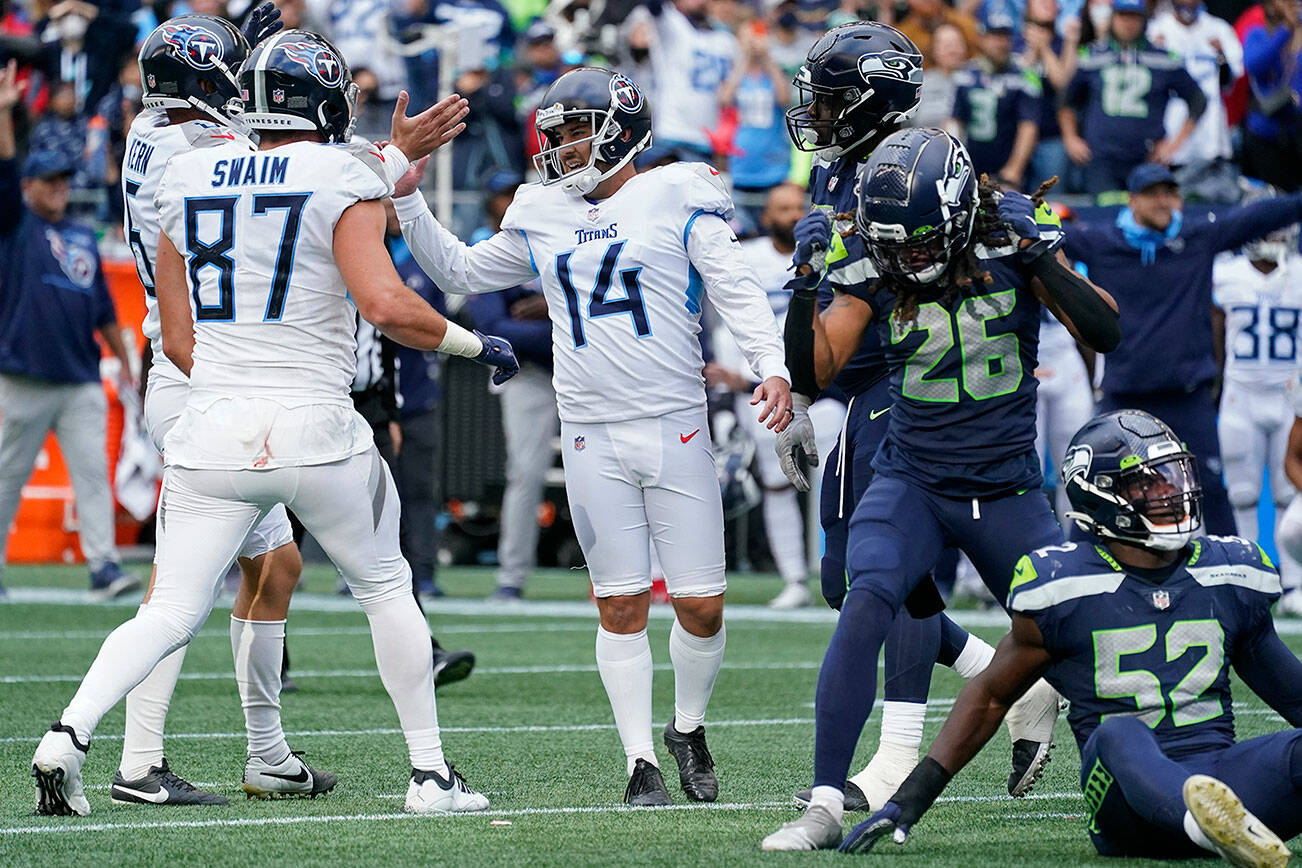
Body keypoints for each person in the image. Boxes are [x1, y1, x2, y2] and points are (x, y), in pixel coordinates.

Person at [30, 29, 516, 817]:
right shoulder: (341, 170)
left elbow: (177, 338)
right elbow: (387, 305)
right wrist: (475, 343)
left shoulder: (181, 171)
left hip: (209, 423)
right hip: (317, 428)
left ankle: (67, 736)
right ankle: (430, 775)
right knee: (388, 587)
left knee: (168, 609)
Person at [394, 66, 793, 806]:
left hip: (674, 420)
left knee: (703, 604)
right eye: (558, 134)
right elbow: (459, 269)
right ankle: (639, 762)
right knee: (620, 602)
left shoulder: (677, 192)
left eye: (576, 131)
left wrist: (772, 366)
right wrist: (409, 194)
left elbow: (737, 288)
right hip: (590, 431)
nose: (564, 147)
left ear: (620, 127)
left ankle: (688, 727)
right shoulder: (541, 209)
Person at [762, 127, 1122, 850]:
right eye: (900, 244)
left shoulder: (1007, 234)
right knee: (864, 598)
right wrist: (804, 291)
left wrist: (1042, 254)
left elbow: (1106, 328)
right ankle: (825, 804)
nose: (912, 257)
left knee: (1080, 643)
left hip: (1009, 489)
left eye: (926, 240)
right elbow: (818, 370)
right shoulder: (874, 247)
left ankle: (1138, 788)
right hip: (914, 479)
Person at [777, 23, 1058, 821]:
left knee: (893, 582)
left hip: (918, 390)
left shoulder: (921, 169)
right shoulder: (845, 172)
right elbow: (832, 305)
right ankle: (1008, 682)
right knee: (848, 581)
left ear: (875, 100)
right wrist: (795, 386)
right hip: (859, 384)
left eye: (831, 100)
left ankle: (898, 753)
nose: (817, 113)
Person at [841, 410, 1301, 868]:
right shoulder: (1065, 585)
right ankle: (1205, 826)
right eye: (1149, 483)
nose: (1172, 493)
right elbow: (989, 698)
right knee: (1118, 733)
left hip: (1220, 775)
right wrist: (910, 800)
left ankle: (1221, 825)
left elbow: (1291, 692)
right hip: (1125, 810)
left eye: (1174, 477)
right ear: (1101, 496)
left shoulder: (1227, 574)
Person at [113, 9, 332, 806]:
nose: (243, 96)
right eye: (230, 81)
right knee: (180, 585)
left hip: (194, 367)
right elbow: (296, 166)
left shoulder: (149, 130)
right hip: (200, 369)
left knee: (275, 568)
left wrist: (226, 45)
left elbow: (204, 106)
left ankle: (267, 755)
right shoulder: (200, 151)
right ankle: (137, 761)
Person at [1062, 163, 1302, 537]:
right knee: (1098, 489)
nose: (1163, 202)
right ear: (1132, 199)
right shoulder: (1102, 241)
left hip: (1187, 397)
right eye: (1152, 194)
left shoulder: (1196, 236)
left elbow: (1258, 217)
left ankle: (1233, 578)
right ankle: (1077, 578)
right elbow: (1046, 235)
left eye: (1169, 193)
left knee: (1215, 493)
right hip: (1124, 396)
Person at [0, 60, 139, 604]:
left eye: (64, 179)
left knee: (93, 477)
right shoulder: (14, 224)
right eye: (50, 180)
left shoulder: (79, 235)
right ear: (30, 184)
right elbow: (5, 172)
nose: (60, 187)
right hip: (24, 374)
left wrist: (127, 366)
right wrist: (7, 114)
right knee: (7, 480)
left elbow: (104, 311)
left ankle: (104, 567)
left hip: (80, 375)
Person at [704, 182, 845, 609]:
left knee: (835, 483)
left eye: (799, 206)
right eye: (783, 208)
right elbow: (729, 321)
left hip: (825, 391)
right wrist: (744, 379)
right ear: (766, 216)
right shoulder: (747, 257)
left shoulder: (831, 255)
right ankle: (794, 579)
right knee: (777, 482)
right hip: (764, 387)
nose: (792, 214)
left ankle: (833, 571)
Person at [462, 171, 558, 603]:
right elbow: (494, 329)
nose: (508, 201)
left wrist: (550, 310)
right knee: (525, 473)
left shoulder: (557, 231)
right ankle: (511, 576)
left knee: (613, 469)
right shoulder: (486, 244)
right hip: (529, 373)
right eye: (501, 195)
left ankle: (620, 578)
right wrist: (561, 323)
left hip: (589, 367)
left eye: (513, 193)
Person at [1214, 196, 1302, 615]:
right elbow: (1215, 333)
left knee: (1290, 493)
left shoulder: (1299, 274)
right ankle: (1252, 579)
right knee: (1243, 494)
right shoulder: (1226, 274)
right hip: (1240, 392)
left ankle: (1295, 582)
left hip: (1289, 396)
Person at [1059, 0, 1206, 196]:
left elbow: (1198, 99)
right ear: (1113, 18)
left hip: (1147, 157)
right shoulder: (1091, 56)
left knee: (1146, 218)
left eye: (1134, 17)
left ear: (1144, 20)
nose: (1128, 23)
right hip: (1102, 158)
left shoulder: (1164, 58)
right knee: (1105, 215)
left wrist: (1174, 144)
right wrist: (1070, 138)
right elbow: (1065, 100)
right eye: (1123, 16)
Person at [1148, 0, 1243, 202]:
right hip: (1169, 138)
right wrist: (1154, 51)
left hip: (1211, 139)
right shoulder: (1157, 29)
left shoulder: (1218, 29)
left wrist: (1221, 56)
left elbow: (1229, 83)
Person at [949, 6, 1041, 190]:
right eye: (995, 36)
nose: (1002, 43)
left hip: (1007, 167)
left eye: (1005, 36)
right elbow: (955, 121)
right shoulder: (965, 75)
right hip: (972, 165)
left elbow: (1028, 126)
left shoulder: (1023, 75)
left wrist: (1014, 169)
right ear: (981, 39)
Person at [645, 0, 739, 160]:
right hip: (671, 133)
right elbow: (654, 6)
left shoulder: (726, 39)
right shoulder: (673, 24)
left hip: (707, 140)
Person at [1241, 0, 1302, 191]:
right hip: (1264, 134)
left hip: (1297, 133)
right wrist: (1286, 30)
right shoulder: (1257, 34)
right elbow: (1254, 65)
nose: (1293, 5)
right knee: (1274, 199)